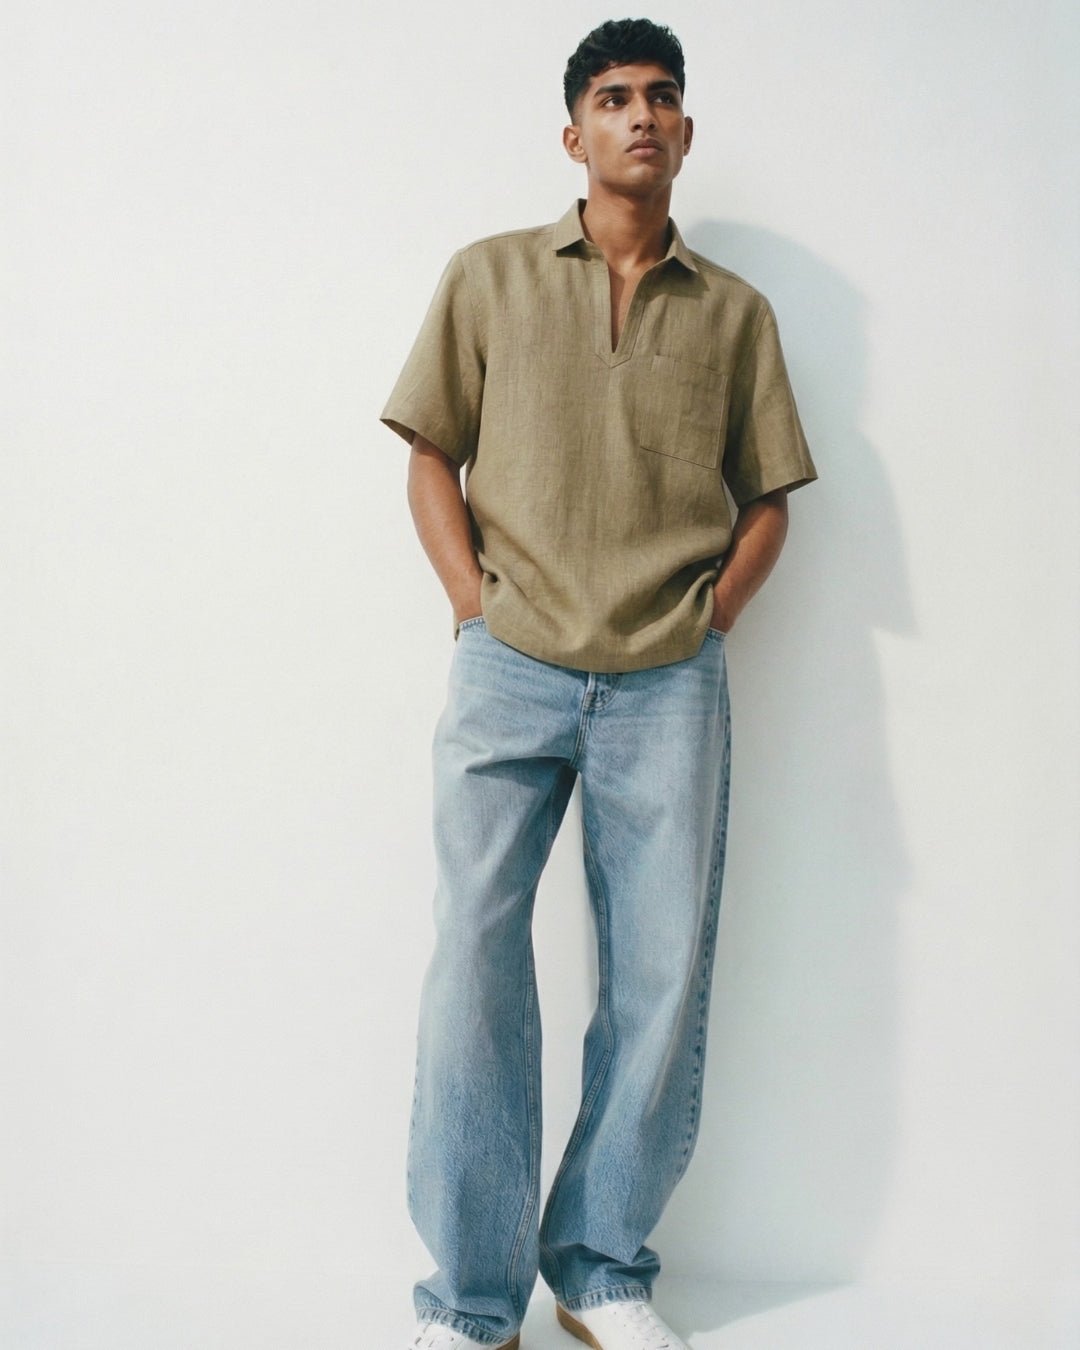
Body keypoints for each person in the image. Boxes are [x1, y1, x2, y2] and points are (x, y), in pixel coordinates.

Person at [380, 18, 817, 1350]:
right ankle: (469, 1298)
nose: (642, 115)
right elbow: (428, 456)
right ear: (573, 132)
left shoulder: (736, 313)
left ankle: (603, 1264)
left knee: (659, 978)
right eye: (615, 97)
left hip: (665, 684)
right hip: (508, 668)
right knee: (472, 964)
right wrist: (474, 610)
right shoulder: (491, 279)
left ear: (686, 133)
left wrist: (706, 624)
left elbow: (769, 502)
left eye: (664, 98)